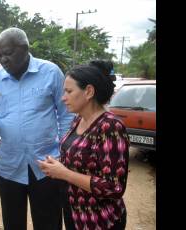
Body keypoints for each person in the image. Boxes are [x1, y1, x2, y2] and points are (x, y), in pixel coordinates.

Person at [0, 27, 74, 230]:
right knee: (13, 222)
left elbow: (67, 114)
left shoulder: (50, 72)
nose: (3, 59)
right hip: (9, 164)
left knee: (48, 221)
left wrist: (61, 153)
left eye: (8, 53)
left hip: (46, 164)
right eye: (0, 55)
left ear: (24, 48)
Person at [38, 65, 130, 230]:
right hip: (75, 212)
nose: (63, 98)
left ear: (88, 91)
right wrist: (58, 164)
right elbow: (84, 159)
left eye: (69, 91)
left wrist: (64, 173)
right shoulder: (78, 120)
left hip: (99, 220)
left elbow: (114, 187)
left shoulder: (110, 127)